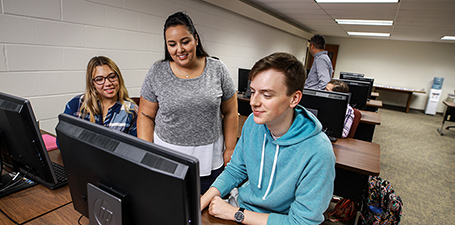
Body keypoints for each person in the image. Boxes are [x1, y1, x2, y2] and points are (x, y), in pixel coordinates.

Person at [200, 52, 335, 224]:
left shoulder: (319, 151)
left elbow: (302, 222)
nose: (254, 102)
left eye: (266, 95)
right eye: (254, 91)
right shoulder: (253, 123)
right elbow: (235, 170)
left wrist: (236, 213)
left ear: (294, 98)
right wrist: (200, 202)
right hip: (238, 208)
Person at [137, 12, 238, 194]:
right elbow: (145, 115)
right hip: (166, 157)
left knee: (206, 214)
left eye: (185, 41)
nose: (179, 50)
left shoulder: (217, 69)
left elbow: (231, 112)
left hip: (210, 158)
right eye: (172, 44)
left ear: (196, 39)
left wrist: (230, 148)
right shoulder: (157, 72)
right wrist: (147, 152)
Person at [63, 56, 138, 136]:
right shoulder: (77, 104)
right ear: (92, 84)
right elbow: (63, 139)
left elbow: (134, 147)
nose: (108, 83)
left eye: (112, 77)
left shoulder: (131, 110)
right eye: (99, 79)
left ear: (119, 78)